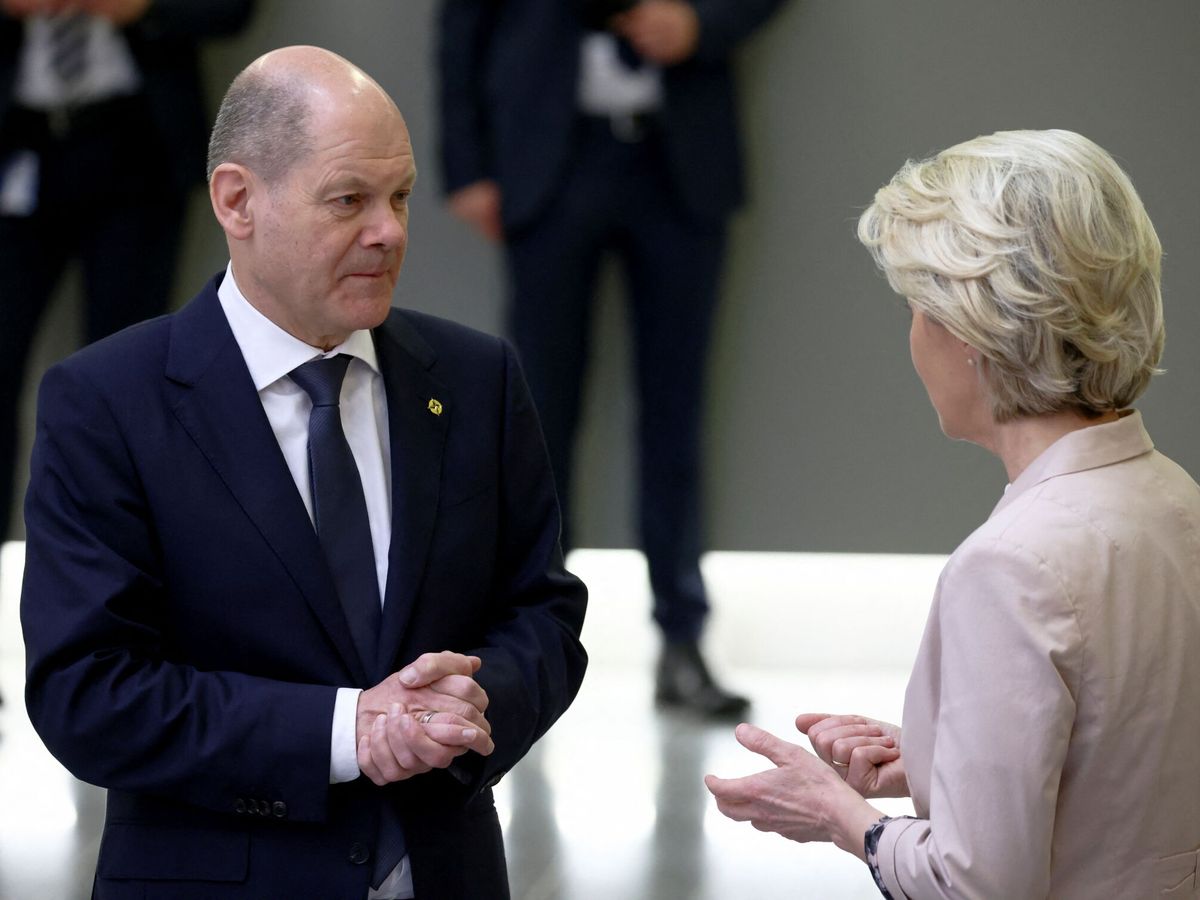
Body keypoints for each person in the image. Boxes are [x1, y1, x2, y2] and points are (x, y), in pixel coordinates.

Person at [20, 46, 588, 900]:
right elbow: (89, 690)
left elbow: (541, 611)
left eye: (398, 197)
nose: (390, 230)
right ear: (238, 201)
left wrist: (467, 712)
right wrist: (344, 731)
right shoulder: (108, 403)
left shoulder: (477, 380)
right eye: (349, 200)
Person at [704, 129, 1200, 897]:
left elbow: (978, 885)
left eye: (917, 309)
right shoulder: (1172, 496)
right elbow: (1134, 765)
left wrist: (842, 815)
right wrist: (947, 755)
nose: (913, 338)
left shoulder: (1012, 564)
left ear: (973, 330)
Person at [437, 0, 784, 719]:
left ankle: (682, 640)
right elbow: (461, 21)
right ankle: (530, 645)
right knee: (535, 419)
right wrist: (465, 163)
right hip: (546, 158)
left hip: (677, 158)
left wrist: (699, 24)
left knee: (676, 416)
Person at [0, 0, 254, 540]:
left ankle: (111, 561)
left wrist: (145, 6)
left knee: (127, 379)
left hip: (135, 146)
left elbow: (231, 9)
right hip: (17, 141)